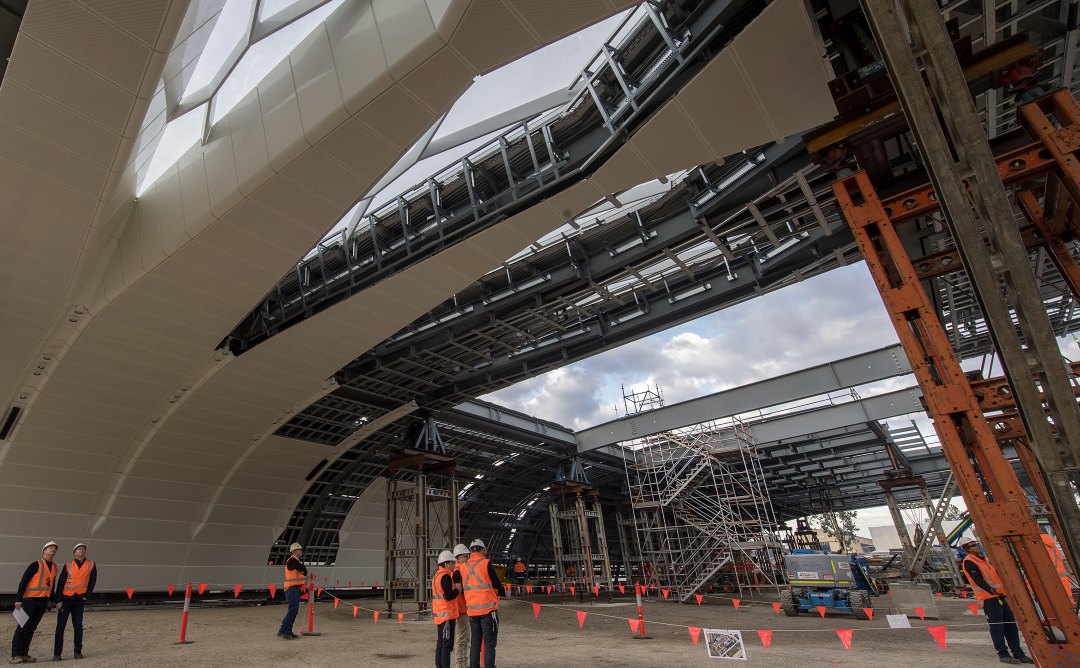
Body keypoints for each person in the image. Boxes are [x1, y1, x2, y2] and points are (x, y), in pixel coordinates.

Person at [960, 539, 1034, 664]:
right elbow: (977, 579)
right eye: (973, 545)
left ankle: (1018, 653)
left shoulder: (984, 560)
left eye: (977, 544)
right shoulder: (969, 562)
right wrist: (990, 590)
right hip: (989, 599)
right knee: (997, 627)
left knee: (1011, 626)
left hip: (1000, 596)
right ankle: (1003, 654)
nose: (977, 546)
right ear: (967, 549)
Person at [459, 539, 504, 668]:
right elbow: (497, 584)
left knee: (475, 643)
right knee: (489, 644)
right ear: (483, 550)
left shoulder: (463, 566)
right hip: (488, 610)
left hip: (472, 611)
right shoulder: (486, 563)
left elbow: (462, 588)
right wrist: (501, 592)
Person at [12, 541, 59, 664]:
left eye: (54, 548)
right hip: (29, 601)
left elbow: (52, 584)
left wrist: (50, 600)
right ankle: (15, 655)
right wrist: (18, 599)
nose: (53, 549)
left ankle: (24, 654)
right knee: (22, 628)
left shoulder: (54, 567)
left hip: (42, 603)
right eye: (50, 548)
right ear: (44, 550)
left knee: (31, 629)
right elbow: (23, 582)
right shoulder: (35, 565)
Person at [53, 543, 96, 661]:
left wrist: (87, 596)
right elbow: (61, 583)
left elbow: (92, 581)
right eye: (78, 549)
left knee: (78, 626)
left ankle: (77, 652)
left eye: (83, 549)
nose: (81, 550)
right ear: (74, 553)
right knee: (60, 627)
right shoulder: (68, 565)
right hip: (66, 600)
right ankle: (57, 654)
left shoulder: (91, 564)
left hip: (79, 601)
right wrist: (58, 600)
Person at [432, 550, 460, 668]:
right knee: (447, 646)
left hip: (440, 615)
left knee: (441, 644)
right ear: (446, 564)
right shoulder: (446, 576)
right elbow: (448, 596)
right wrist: (457, 591)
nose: (454, 565)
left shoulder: (436, 576)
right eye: (452, 563)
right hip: (447, 616)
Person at [278, 543, 307, 640]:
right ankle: (283, 630)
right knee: (293, 610)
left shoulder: (296, 561)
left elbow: (304, 570)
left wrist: (302, 568)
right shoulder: (291, 560)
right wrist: (302, 568)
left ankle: (288, 631)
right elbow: (301, 569)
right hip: (291, 588)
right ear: (294, 551)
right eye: (299, 550)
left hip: (294, 588)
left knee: (294, 610)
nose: (301, 551)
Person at [452, 544, 471, 668]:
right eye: (466, 556)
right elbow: (461, 591)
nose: (468, 558)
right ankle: (461, 665)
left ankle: (463, 663)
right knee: (462, 640)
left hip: (462, 609)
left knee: (464, 639)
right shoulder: (458, 572)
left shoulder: (458, 571)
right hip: (462, 609)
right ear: (459, 557)